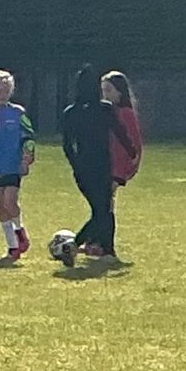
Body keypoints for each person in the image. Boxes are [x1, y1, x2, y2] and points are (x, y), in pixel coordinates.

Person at [59, 64, 138, 264]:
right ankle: (76, 245)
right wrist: (132, 152)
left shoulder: (70, 113)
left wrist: (76, 165)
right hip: (102, 166)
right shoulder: (105, 109)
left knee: (101, 209)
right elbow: (120, 132)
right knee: (103, 211)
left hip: (83, 169)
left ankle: (105, 249)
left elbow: (68, 146)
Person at [0, 70, 35, 260]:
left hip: (12, 163)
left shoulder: (17, 113)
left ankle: (20, 231)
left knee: (11, 200)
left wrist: (26, 159)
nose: (2, 95)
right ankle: (12, 246)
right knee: (0, 204)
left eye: (6, 91)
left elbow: (28, 136)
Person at [104, 70, 145, 256]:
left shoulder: (125, 113)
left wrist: (129, 166)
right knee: (105, 203)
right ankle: (99, 242)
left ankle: (102, 245)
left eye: (109, 90)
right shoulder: (108, 112)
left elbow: (134, 142)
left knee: (106, 203)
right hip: (107, 163)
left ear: (120, 91)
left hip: (117, 165)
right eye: (103, 90)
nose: (105, 95)